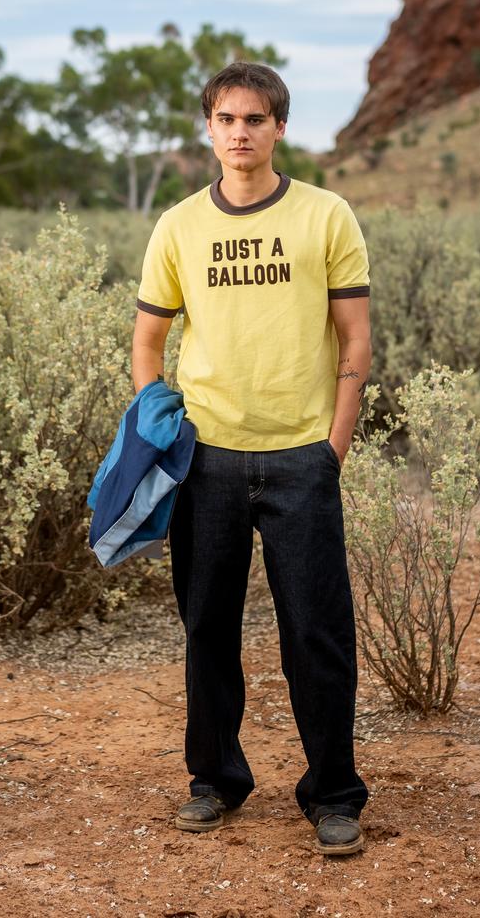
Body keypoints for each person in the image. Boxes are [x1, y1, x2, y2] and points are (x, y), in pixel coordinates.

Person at [131, 62, 371, 855]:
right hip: (208, 461)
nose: (241, 132)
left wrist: (330, 448)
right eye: (227, 119)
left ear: (279, 128)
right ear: (209, 129)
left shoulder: (326, 215)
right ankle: (215, 782)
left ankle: (333, 795)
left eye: (256, 119)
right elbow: (148, 343)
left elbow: (355, 340)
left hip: (302, 457)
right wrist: (162, 427)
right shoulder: (177, 226)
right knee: (208, 628)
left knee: (318, 634)